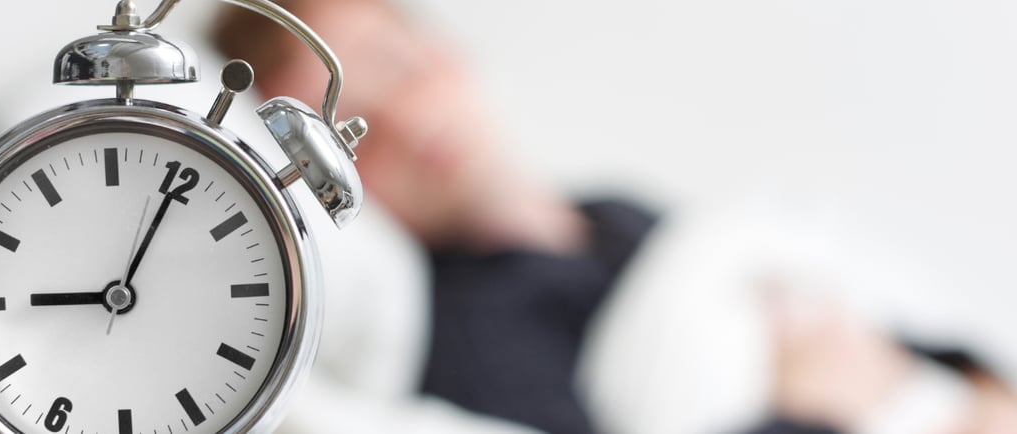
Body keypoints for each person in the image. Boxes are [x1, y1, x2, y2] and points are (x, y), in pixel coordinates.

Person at [214, 1, 1017, 433]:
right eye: (357, 136)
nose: (410, 126)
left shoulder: (627, 217)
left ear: (452, 57)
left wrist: (972, 390)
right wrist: (810, 406)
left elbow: (874, 329)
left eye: (398, 70)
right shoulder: (469, 338)